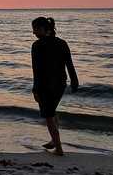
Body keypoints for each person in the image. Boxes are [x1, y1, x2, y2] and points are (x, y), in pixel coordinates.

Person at [31, 17, 78, 156]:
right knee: (51, 111)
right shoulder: (62, 43)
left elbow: (36, 70)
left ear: (45, 29)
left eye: (35, 29)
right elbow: (69, 64)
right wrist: (74, 81)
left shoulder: (37, 46)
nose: (33, 32)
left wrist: (35, 89)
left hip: (45, 86)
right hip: (60, 84)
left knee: (48, 115)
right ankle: (54, 140)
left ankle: (58, 148)